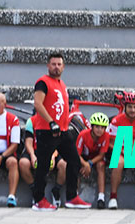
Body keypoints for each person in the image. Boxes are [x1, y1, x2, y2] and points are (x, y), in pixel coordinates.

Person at [31, 52, 86, 211]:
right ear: (48, 66)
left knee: (74, 160)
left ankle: (72, 197)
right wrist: (51, 122)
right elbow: (38, 103)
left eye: (59, 64)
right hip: (47, 130)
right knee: (43, 166)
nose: (56, 67)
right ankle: (39, 200)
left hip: (62, 131)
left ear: (63, 67)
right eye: (53, 64)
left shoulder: (62, 84)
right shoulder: (43, 82)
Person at [107, 91, 135, 210]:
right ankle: (113, 197)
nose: (132, 110)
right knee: (118, 162)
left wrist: (134, 152)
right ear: (125, 107)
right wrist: (123, 152)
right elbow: (110, 143)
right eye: (130, 107)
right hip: (120, 150)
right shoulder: (116, 121)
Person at [77, 112, 112, 209]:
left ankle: (101, 198)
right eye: (97, 127)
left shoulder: (106, 136)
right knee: (75, 165)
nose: (99, 130)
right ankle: (75, 195)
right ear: (92, 127)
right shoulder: (83, 135)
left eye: (102, 127)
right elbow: (77, 154)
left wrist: (90, 163)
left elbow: (101, 155)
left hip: (96, 158)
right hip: (83, 157)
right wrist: (85, 164)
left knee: (101, 166)